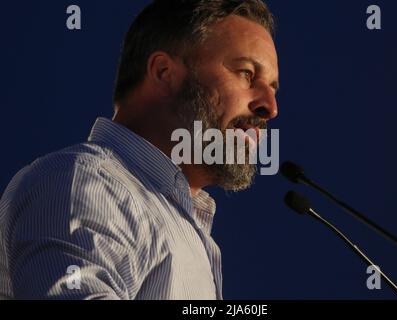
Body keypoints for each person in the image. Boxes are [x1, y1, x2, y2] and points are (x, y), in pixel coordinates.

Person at [0, 0, 279, 300]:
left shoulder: (187, 229)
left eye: (273, 87)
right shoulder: (87, 183)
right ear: (163, 73)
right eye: (247, 74)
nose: (270, 108)